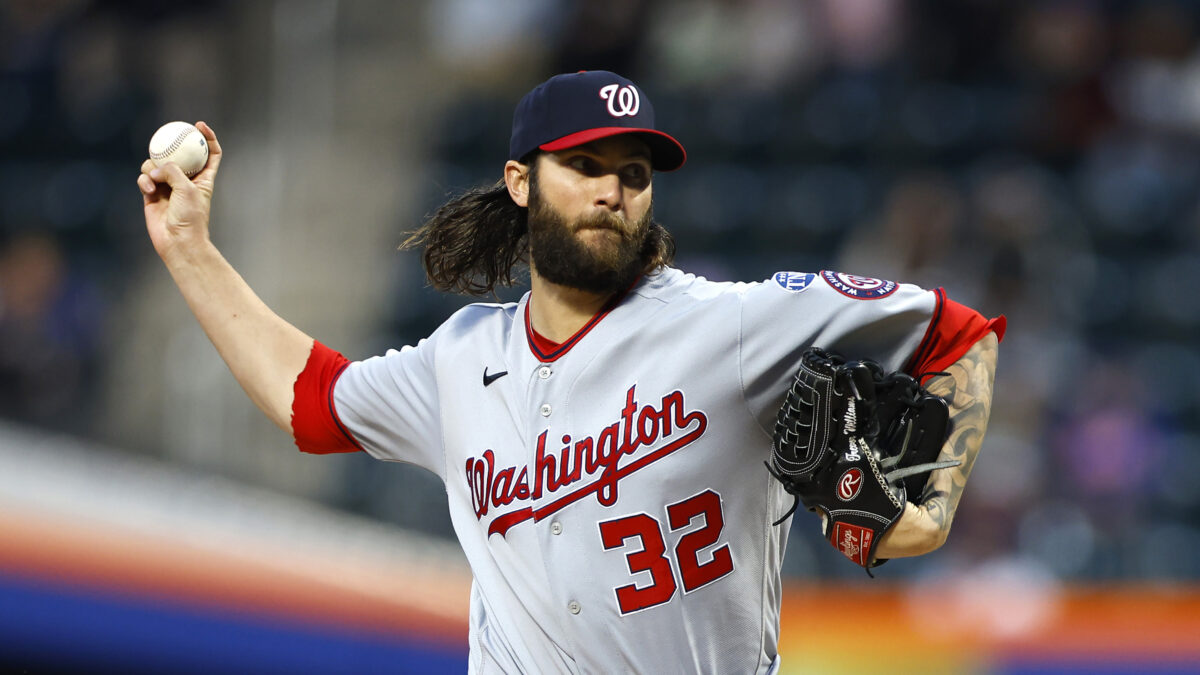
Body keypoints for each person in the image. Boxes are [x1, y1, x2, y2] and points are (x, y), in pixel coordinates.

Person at [137, 70, 1003, 674]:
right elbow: (314, 401)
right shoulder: (461, 356)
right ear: (521, 180)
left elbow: (961, 331)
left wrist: (927, 517)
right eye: (583, 165)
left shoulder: (733, 326)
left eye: (633, 172)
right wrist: (189, 248)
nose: (612, 189)